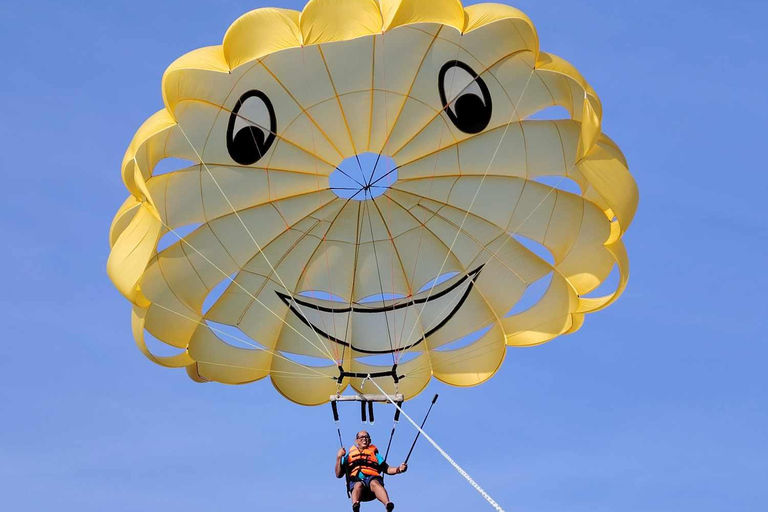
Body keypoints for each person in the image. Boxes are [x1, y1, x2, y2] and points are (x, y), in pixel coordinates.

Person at [335, 430, 407, 512]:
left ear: (370, 440)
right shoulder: (349, 456)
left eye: (366, 437)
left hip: (372, 480)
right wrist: (339, 457)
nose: (364, 439)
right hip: (356, 481)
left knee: (374, 483)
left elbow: (387, 469)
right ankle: (356, 505)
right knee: (358, 485)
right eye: (361, 437)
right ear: (356, 441)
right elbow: (338, 474)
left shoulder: (375, 454)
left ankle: (388, 504)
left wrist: (399, 469)